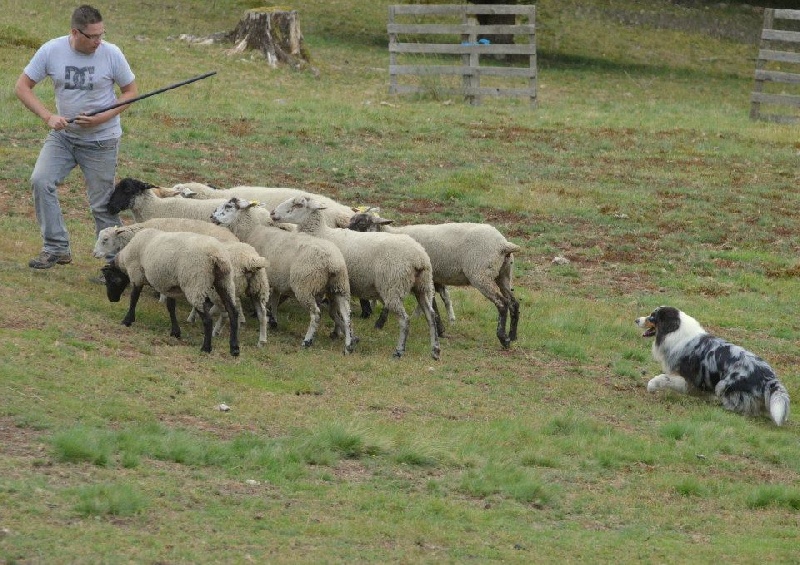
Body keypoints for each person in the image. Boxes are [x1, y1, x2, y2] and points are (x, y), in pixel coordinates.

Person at [15, 4, 138, 270]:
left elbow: (130, 92)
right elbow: (22, 87)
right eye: (92, 36)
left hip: (101, 141)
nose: (98, 41)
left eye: (101, 35)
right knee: (40, 180)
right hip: (64, 137)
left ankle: (117, 265)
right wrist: (48, 117)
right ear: (75, 32)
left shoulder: (111, 54)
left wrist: (101, 118)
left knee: (102, 204)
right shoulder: (51, 50)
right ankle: (56, 248)